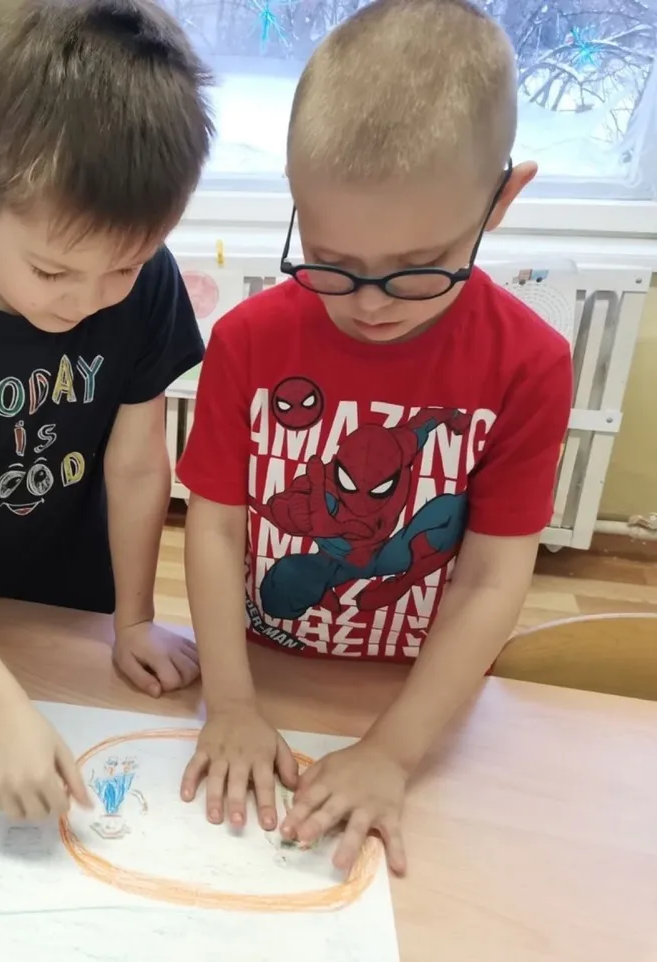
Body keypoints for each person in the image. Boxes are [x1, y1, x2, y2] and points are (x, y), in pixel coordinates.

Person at [176, 0, 573, 878]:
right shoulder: (247, 341)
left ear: (501, 200)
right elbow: (214, 526)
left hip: (417, 698)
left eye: (418, 269)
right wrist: (230, 703)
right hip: (264, 670)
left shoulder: (529, 365)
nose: (368, 303)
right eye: (331, 261)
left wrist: (393, 750)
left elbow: (492, 578)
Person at [0, 0, 214, 822]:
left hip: (76, 601)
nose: (88, 301)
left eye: (123, 268)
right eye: (54, 272)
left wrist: (135, 621)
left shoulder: (150, 285)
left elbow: (137, 465)